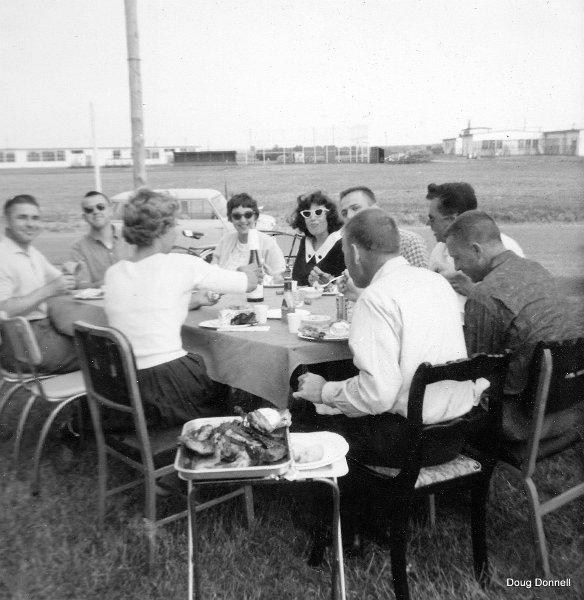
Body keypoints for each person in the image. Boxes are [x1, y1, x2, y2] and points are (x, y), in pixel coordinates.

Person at [293, 207, 478, 467]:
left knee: (306, 414)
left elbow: (376, 395)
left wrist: (324, 391)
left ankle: (330, 497)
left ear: (355, 253)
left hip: (406, 442)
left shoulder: (375, 299)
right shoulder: (435, 282)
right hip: (455, 434)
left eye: (345, 253)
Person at [104, 189, 261, 429]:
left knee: (202, 363)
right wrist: (246, 272)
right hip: (169, 383)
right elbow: (249, 284)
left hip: (122, 386)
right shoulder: (181, 264)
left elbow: (150, 305)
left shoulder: (114, 273)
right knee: (219, 375)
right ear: (162, 229)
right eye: (174, 225)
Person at [445, 210, 580, 441]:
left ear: (477, 250)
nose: (456, 267)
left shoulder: (484, 296)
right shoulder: (536, 269)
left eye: (457, 257)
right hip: (567, 411)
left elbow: (473, 374)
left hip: (518, 423)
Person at [0, 195, 78, 374]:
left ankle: (85, 400)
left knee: (91, 343)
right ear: (7, 221)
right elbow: (3, 308)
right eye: (22, 217)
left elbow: (61, 281)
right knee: (102, 351)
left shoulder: (32, 253)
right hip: (25, 344)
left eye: (35, 218)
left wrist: (70, 273)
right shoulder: (3, 256)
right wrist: (49, 290)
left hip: (39, 336)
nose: (30, 224)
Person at [322, 185, 429, 297]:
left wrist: (360, 294)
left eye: (355, 208)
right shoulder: (351, 246)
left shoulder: (409, 242)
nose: (349, 216)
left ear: (375, 209)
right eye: (344, 213)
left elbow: (421, 293)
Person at [426, 182, 524, 300]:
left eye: (432, 220)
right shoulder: (439, 251)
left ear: (452, 220)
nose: (428, 224)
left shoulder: (505, 248)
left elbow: (516, 304)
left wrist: (472, 290)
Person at [212, 193, 286, 280]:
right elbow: (212, 274)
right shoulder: (225, 241)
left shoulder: (268, 244)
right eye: (237, 216)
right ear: (231, 218)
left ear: (255, 216)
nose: (243, 220)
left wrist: (263, 278)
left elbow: (279, 281)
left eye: (248, 215)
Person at [69, 191, 134, 288]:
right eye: (89, 210)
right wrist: (113, 282)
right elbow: (82, 286)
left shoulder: (130, 238)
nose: (95, 212)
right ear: (84, 217)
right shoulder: (78, 248)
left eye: (100, 207)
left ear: (110, 210)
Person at [289, 191, 344, 286]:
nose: (313, 218)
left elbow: (346, 285)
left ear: (329, 216)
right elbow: (296, 280)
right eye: (307, 214)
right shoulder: (305, 242)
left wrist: (328, 283)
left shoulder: (341, 244)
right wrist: (311, 282)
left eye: (318, 213)